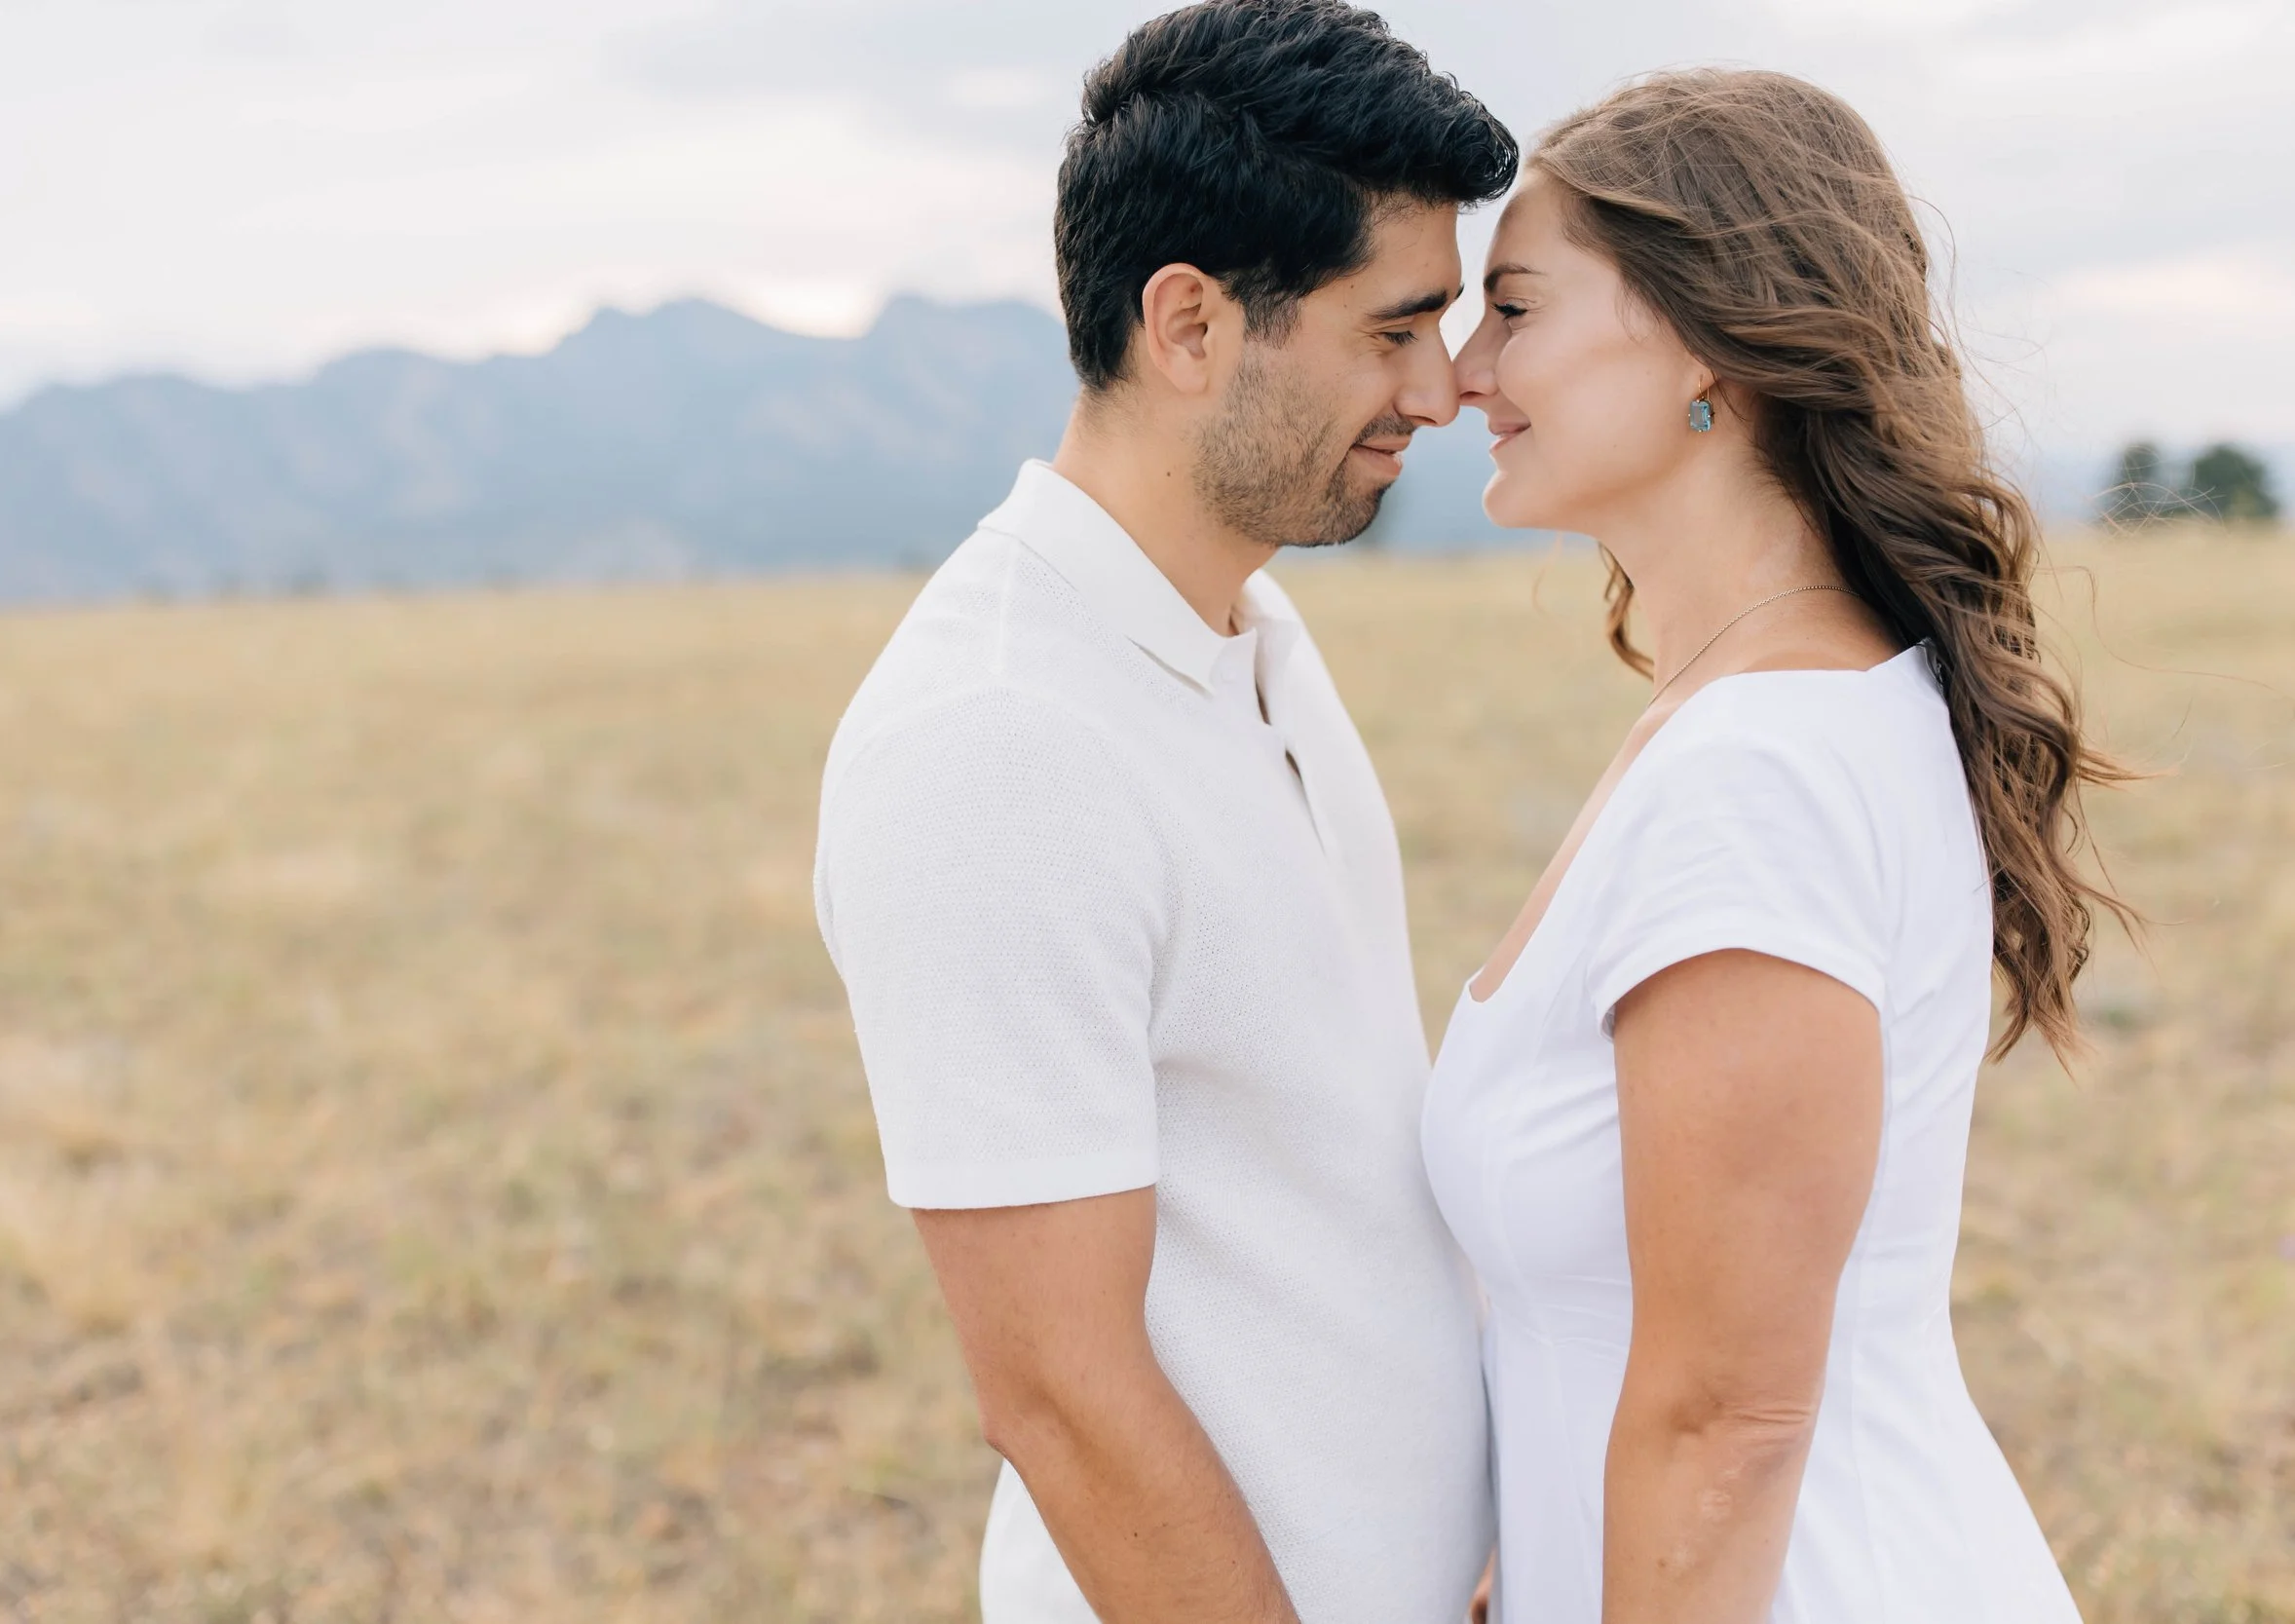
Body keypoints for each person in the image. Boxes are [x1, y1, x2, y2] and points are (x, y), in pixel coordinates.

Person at [812, 4, 1515, 1620]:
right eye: (1392, 330)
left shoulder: (1255, 632)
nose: (1443, 389)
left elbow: (1330, 1183)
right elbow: (1060, 1394)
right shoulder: (996, 743)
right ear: (1191, 325)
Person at [1423, 69, 2126, 1624]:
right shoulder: (1760, 708)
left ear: (1702, 341)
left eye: (1516, 308)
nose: (1460, 371)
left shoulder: (1760, 767)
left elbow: (1726, 1422)